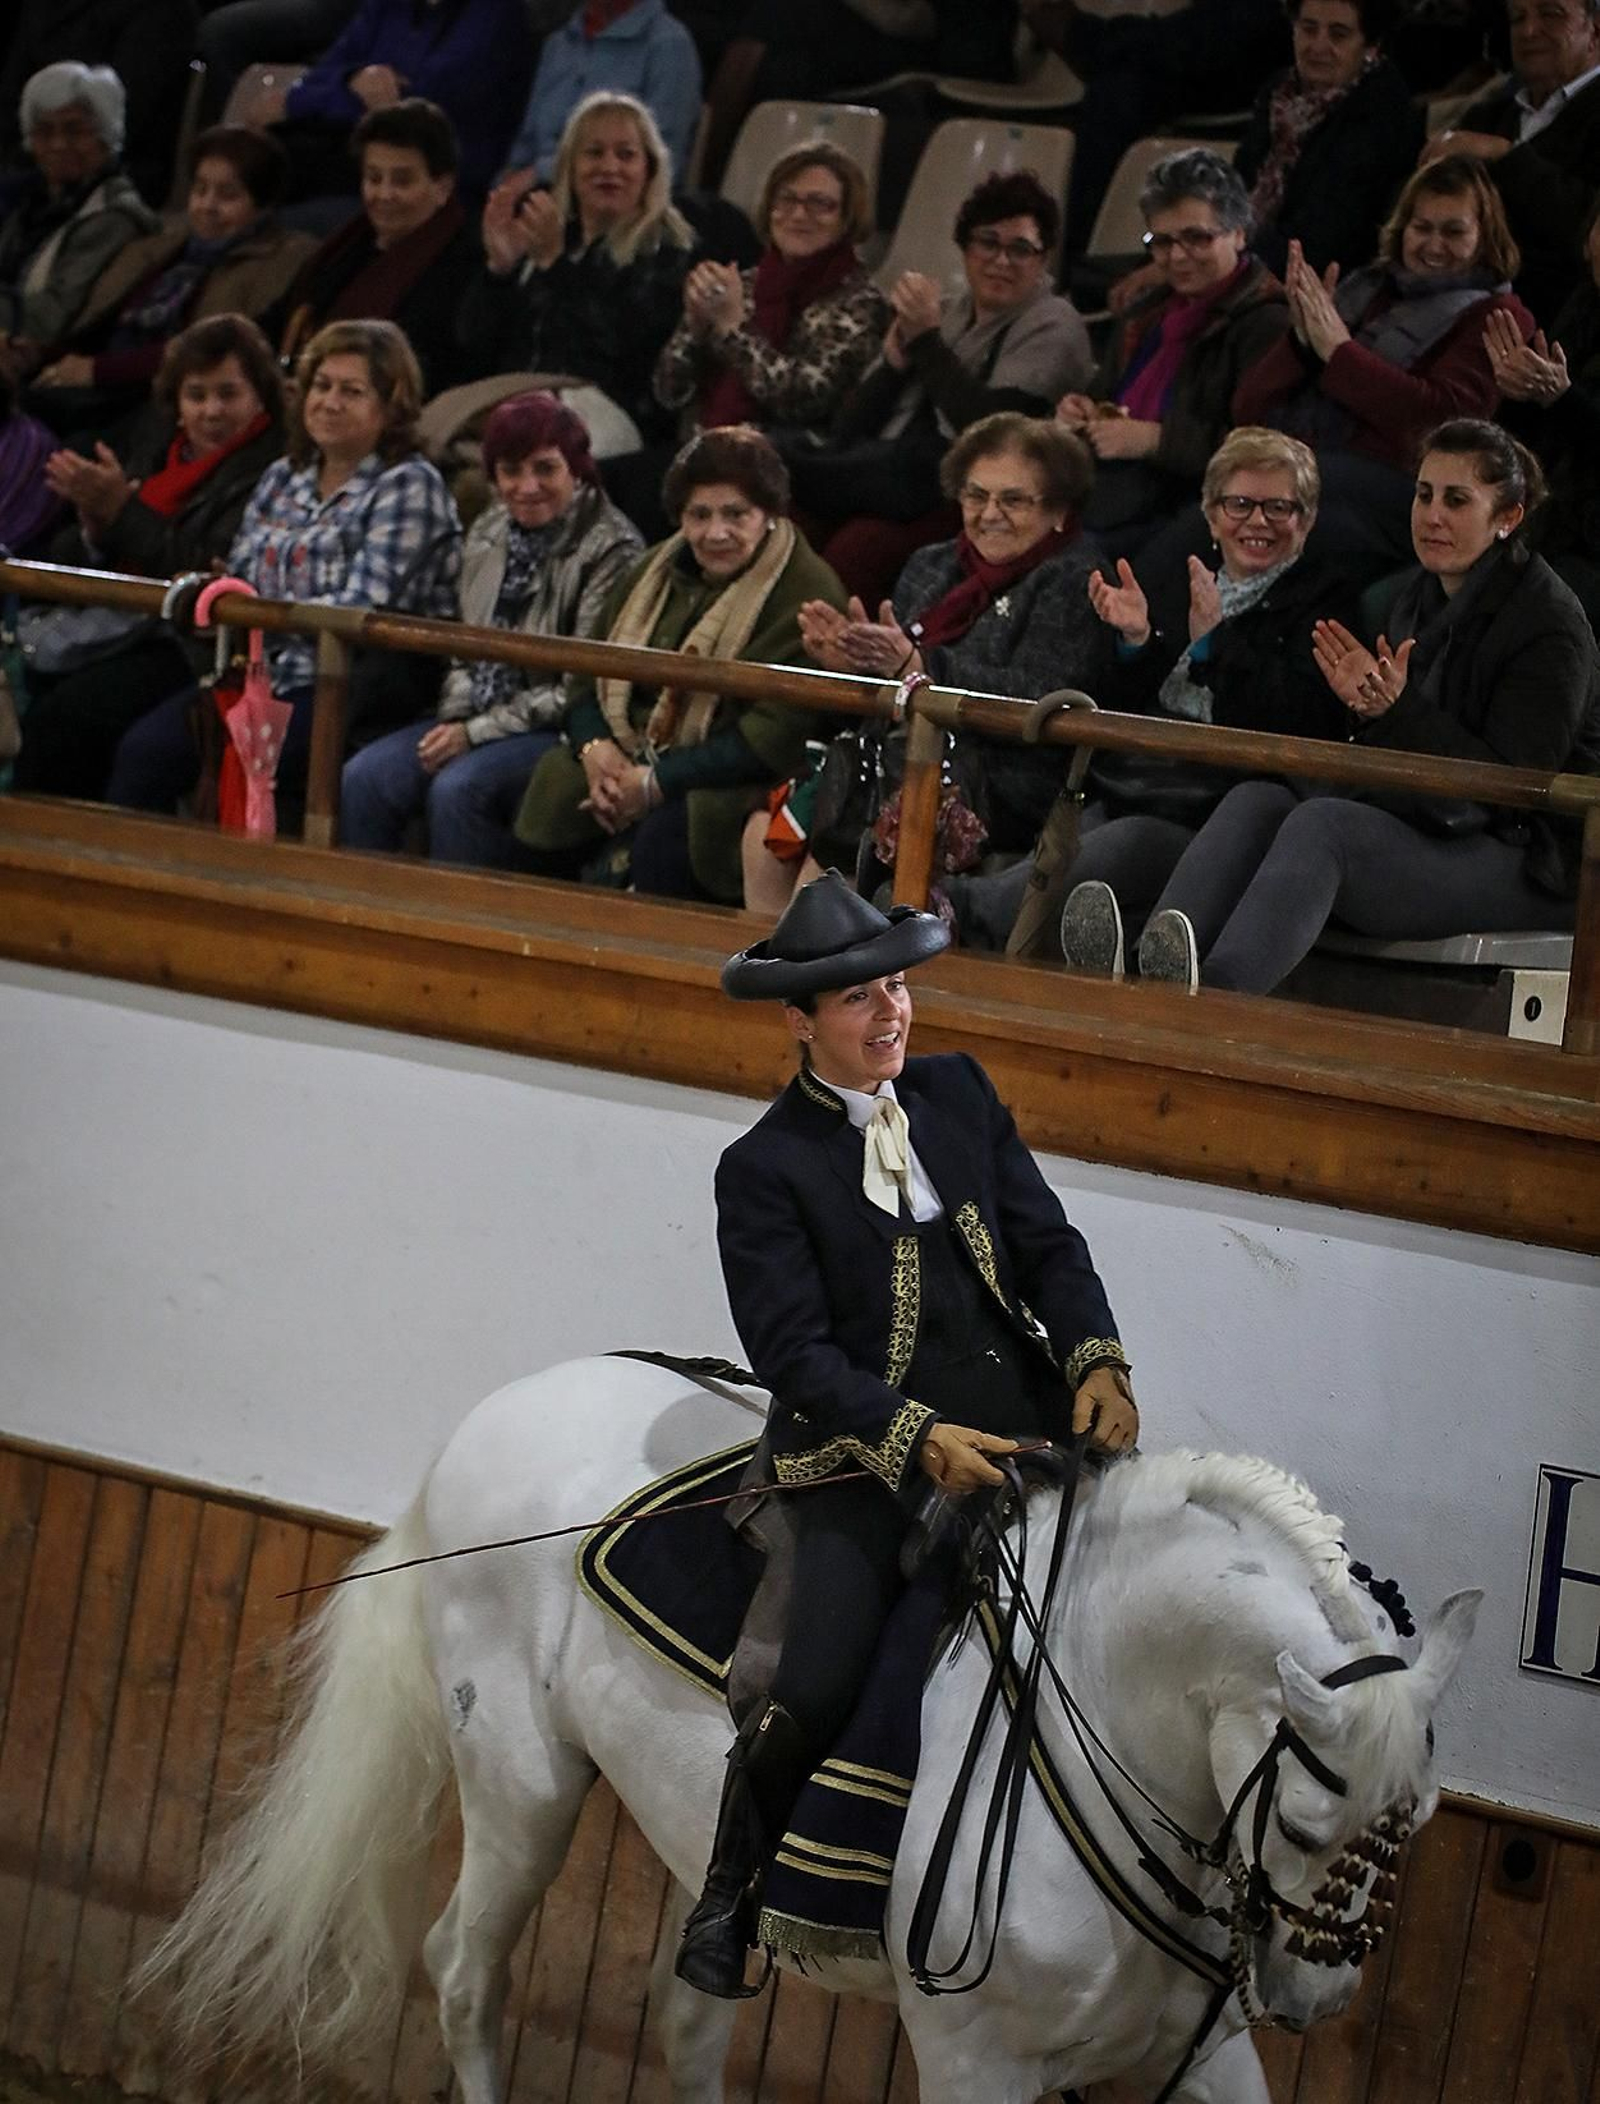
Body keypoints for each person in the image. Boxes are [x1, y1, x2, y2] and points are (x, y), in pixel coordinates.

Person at [674, 867, 1139, 1999]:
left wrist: (1098, 1357)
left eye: (896, 988)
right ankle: (730, 1893)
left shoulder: (959, 1091)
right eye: (858, 999)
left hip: (1026, 1430)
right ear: (799, 1022)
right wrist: (918, 1438)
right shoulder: (762, 1168)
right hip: (865, 1462)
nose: (891, 1013)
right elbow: (796, 1356)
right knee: (817, 1677)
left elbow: (1049, 1245)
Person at [1127, 418, 1600, 994]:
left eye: (1456, 500)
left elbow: (1516, 787)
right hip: (1431, 819)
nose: (1432, 516)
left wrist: (1395, 711)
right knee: (1259, 798)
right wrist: (1367, 710)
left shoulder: (1548, 624)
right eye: (1424, 495)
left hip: (1529, 860)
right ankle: (1148, 976)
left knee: (1324, 826)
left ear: (1507, 518)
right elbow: (1398, 737)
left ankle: (1214, 1001)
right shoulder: (1417, 598)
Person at [104, 317, 461, 817]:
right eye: (322, 385)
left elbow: (358, 609)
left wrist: (257, 611)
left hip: (347, 687)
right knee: (145, 751)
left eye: (352, 391)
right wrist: (217, 597)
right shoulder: (283, 476)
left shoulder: (409, 485)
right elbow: (240, 577)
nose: (330, 402)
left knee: (236, 754)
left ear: (390, 406)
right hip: (259, 672)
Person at [782, 413, 1108, 909]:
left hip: (1003, 780)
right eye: (976, 496)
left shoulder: (1076, 579)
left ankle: (811, 957)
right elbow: (894, 681)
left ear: (1060, 511)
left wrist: (920, 667)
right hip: (898, 758)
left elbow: (1041, 696)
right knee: (765, 838)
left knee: (824, 867)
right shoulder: (931, 564)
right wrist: (853, 667)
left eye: (1013, 500)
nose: (989, 513)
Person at [514, 424, 845, 902]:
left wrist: (655, 782)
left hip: (734, 780)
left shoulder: (806, 591)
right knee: (522, 794)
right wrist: (595, 749)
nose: (716, 532)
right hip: (621, 753)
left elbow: (771, 739)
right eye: (699, 514)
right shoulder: (651, 568)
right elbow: (586, 674)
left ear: (770, 513)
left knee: (665, 839)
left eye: (736, 514)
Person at [339, 391, 643, 866]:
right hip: (478, 713)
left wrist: (474, 734)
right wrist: (458, 720)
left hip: (559, 726)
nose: (527, 487)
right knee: (365, 777)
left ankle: (458, 915)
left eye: (545, 469)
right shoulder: (489, 528)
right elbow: (465, 650)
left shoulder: (613, 549)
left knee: (458, 789)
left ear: (577, 469)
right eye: (511, 471)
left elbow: (580, 685)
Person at [12, 314, 287, 802]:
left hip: (186, 641)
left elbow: (212, 571)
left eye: (228, 394)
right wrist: (96, 529)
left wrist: (122, 514)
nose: (211, 411)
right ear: (177, 404)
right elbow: (72, 551)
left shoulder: (270, 469)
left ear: (260, 397)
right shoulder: (159, 449)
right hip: (117, 616)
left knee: (67, 718)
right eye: (196, 395)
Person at [790, 170, 1093, 607]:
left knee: (855, 551)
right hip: (892, 469)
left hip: (965, 493)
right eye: (988, 243)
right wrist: (894, 364)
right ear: (965, 248)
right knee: (787, 525)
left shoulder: (1054, 324)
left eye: (1020, 249)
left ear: (1043, 259)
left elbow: (991, 429)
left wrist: (925, 341)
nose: (1001, 261)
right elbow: (849, 426)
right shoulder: (948, 311)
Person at [1232, 155, 1533, 570]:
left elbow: (1442, 423)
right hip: (1313, 461)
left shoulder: (1497, 314)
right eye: (1422, 228)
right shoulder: (1369, 289)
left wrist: (1339, 351)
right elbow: (1247, 407)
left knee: (1270, 502)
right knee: (1233, 488)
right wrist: (1301, 342)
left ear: (1485, 238)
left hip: (1406, 486)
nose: (1434, 245)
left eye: (1453, 232)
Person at [1056, 148, 1289, 558]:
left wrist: (1154, 441)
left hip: (1185, 506)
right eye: (1162, 242)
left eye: (1197, 238)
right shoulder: (1147, 311)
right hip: (1109, 488)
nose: (1177, 256)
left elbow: (1266, 454)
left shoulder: (1267, 323)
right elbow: (1105, 394)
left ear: (1239, 234)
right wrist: (1081, 411)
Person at [23, 126, 313, 438]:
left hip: (166, 401)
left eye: (228, 195)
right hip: (96, 388)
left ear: (262, 205)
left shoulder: (280, 261)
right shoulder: (161, 247)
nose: (207, 206)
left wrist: (97, 370)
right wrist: (37, 354)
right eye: (200, 189)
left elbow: (211, 351)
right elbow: (94, 327)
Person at [460, 93, 698, 454]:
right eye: (594, 153)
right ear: (569, 168)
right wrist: (500, 271)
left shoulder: (666, 251)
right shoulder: (551, 237)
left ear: (649, 170)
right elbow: (473, 345)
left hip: (607, 413)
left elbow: (616, 354)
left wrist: (555, 266)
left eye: (626, 154)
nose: (609, 167)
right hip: (516, 399)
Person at [652, 143, 886, 444]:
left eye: (819, 203)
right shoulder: (744, 283)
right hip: (704, 445)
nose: (798, 214)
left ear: (847, 218)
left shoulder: (860, 302)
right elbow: (668, 393)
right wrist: (695, 329)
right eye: (786, 199)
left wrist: (734, 330)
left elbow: (802, 401)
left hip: (792, 457)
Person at [276, 99, 478, 393]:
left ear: (442, 188)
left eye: (402, 181)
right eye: (374, 178)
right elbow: (277, 318)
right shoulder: (346, 244)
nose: (384, 194)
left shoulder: (464, 262)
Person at [1422, 0, 1600, 324]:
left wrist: (1505, 155)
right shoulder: (1487, 116)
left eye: (1551, 14)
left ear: (1596, 31)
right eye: (1518, 18)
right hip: (1440, 303)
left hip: (1543, 327)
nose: (1528, 30)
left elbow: (1586, 225)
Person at [254, 0, 535, 204]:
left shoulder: (497, 15)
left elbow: (417, 109)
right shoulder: (387, 5)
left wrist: (300, 102)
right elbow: (321, 75)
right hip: (359, 152)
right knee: (260, 157)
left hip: (429, 182)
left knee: (269, 177)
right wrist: (353, 78)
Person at [1234, 0, 1423, 276]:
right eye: (1309, 29)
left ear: (1371, 46)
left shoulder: (1381, 111)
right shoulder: (1277, 92)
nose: (1318, 46)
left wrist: (1228, 260)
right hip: (1249, 253)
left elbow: (1325, 239)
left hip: (1323, 278)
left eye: (1338, 35)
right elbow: (1234, 186)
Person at [1484, 201, 1600, 627]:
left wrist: (1561, 398)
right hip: (1537, 514)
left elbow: (1569, 410)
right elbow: (1527, 436)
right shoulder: (1582, 306)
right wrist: (1518, 390)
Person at [0, 65, 158, 371]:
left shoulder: (115, 218)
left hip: (48, 365)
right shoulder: (34, 204)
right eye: (44, 131)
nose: (58, 144)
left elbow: (48, 319)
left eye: (74, 131)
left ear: (106, 135)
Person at [498, 0, 702, 187]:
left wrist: (541, 173)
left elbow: (661, 160)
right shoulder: (558, 44)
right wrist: (503, 191)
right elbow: (526, 144)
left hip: (611, 202)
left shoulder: (669, 45)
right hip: (532, 196)